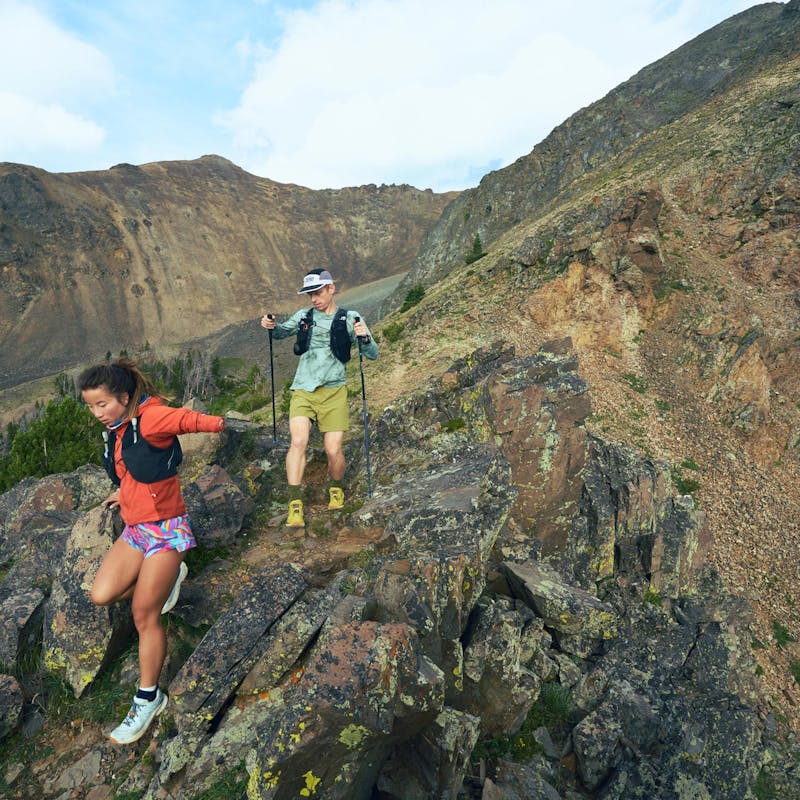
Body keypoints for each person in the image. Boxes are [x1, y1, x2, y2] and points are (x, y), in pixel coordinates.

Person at [78, 359, 226, 745]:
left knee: (144, 614)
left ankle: (148, 697)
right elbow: (133, 466)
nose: (96, 414)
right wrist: (123, 491)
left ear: (124, 397)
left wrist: (220, 423)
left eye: (102, 405)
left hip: (166, 533)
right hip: (136, 530)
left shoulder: (152, 417)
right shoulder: (119, 427)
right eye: (91, 406)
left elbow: (189, 421)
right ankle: (167, 580)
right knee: (101, 595)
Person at [261, 268, 378, 527]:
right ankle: (295, 506)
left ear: (331, 288)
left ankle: (335, 487)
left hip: (334, 390)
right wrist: (270, 325)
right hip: (303, 389)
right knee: (298, 441)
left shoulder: (350, 318)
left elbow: (372, 352)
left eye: (318, 292)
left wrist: (364, 338)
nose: (314, 299)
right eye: (310, 294)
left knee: (333, 449)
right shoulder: (304, 316)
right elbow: (281, 332)